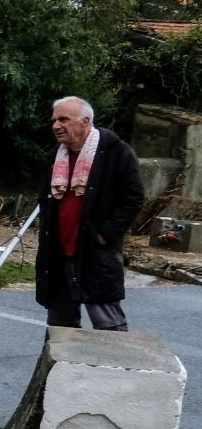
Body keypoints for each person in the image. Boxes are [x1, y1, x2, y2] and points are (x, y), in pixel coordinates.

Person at [35, 96, 146, 331]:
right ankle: (59, 369)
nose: (56, 125)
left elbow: (133, 197)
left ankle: (115, 368)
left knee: (108, 326)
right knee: (60, 328)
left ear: (85, 121)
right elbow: (45, 199)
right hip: (58, 252)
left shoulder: (117, 152)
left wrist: (104, 234)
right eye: (54, 120)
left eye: (63, 119)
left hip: (94, 252)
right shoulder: (56, 155)